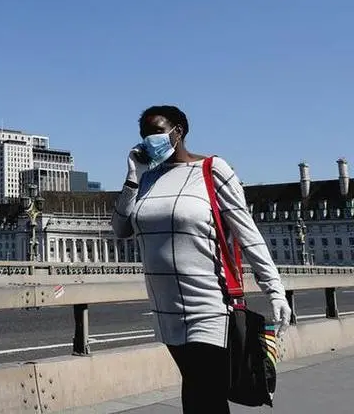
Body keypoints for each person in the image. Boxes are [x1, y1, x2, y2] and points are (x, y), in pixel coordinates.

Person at [111, 105, 292, 413]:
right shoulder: (147, 180)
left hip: (208, 305)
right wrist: (132, 178)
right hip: (165, 309)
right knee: (197, 392)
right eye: (144, 134)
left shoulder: (211, 169)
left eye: (156, 131)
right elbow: (121, 228)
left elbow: (246, 232)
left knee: (203, 391)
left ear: (178, 131)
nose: (148, 140)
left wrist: (274, 288)